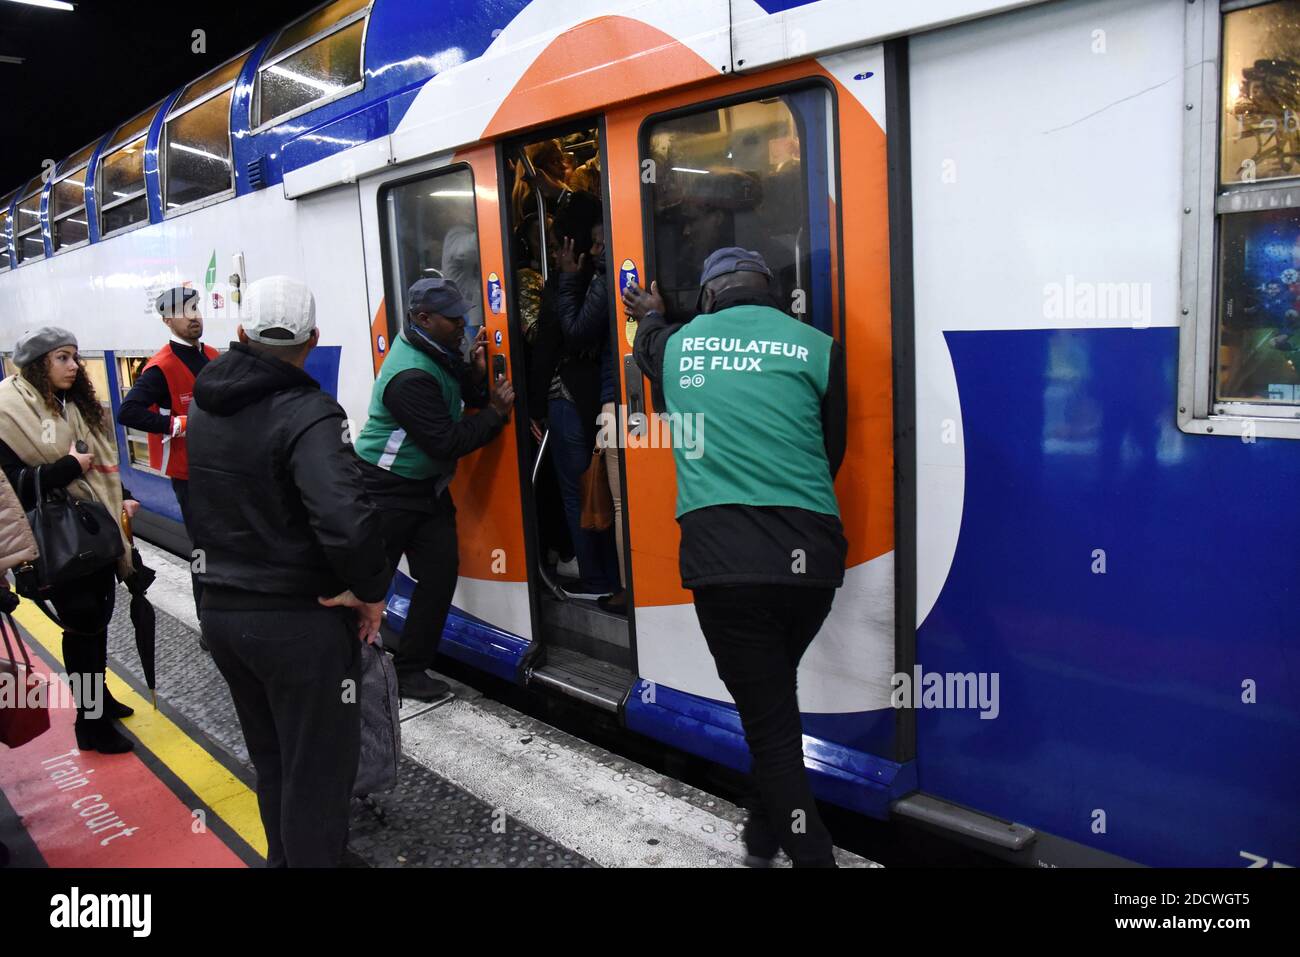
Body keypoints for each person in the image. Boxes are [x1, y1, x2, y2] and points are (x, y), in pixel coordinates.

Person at [625, 248, 848, 868]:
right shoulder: (818, 346)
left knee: (771, 725)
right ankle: (760, 834)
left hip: (728, 569)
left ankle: (812, 856)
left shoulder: (677, 346)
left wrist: (648, 313)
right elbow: (831, 452)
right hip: (813, 562)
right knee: (771, 707)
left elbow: (647, 348)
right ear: (771, 294)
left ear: (708, 298)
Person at [187, 276, 392, 867]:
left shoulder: (205, 401)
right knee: (319, 772)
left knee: (274, 758)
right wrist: (369, 591)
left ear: (243, 333)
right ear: (314, 339)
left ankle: (287, 859)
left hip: (224, 616)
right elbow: (346, 521)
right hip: (297, 624)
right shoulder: (309, 412)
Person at [353, 277, 514, 702]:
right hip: (386, 488)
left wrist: (477, 375)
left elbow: (461, 390)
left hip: (425, 489)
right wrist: (496, 413)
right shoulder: (409, 375)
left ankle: (409, 671)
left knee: (439, 576)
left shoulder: (436, 349)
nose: (463, 324)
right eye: (454, 319)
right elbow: (447, 441)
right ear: (424, 318)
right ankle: (344, 665)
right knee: (370, 583)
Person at [0, 327, 141, 754]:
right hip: (56, 543)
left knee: (96, 625)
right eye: (62, 358)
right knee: (81, 629)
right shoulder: (8, 411)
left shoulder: (70, 405)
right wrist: (67, 467)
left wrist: (126, 498)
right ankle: (90, 724)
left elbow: (101, 467)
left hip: (92, 533)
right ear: (38, 363)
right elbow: (13, 487)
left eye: (75, 358)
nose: (73, 366)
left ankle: (100, 699)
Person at [530, 193, 620, 598]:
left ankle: (596, 576)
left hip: (567, 394)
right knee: (606, 487)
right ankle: (611, 574)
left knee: (576, 490)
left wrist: (535, 404)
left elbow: (555, 338)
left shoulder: (573, 277)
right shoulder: (605, 268)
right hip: (598, 394)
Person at [117, 286, 218, 619]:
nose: (193, 317)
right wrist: (176, 424)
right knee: (204, 549)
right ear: (166, 320)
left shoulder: (213, 356)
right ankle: (208, 619)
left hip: (223, 469)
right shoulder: (161, 367)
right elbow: (128, 411)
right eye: (183, 312)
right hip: (191, 476)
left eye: (195, 309)